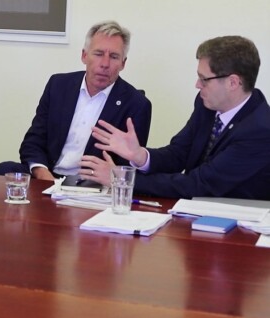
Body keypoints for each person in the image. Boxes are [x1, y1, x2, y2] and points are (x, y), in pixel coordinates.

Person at [83, 35, 270, 199]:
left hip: (238, 226)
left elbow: (200, 184)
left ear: (233, 82)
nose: (197, 85)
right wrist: (140, 156)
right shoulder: (207, 105)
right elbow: (178, 154)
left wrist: (122, 178)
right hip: (193, 213)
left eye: (204, 79)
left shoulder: (260, 130)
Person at [0, 21, 152, 180]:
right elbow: (33, 141)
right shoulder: (58, 85)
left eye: (114, 57)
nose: (105, 64)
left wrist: (112, 175)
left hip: (92, 185)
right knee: (3, 169)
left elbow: (129, 169)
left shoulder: (136, 105)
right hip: (48, 175)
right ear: (84, 55)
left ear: (123, 63)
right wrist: (42, 174)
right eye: (98, 54)